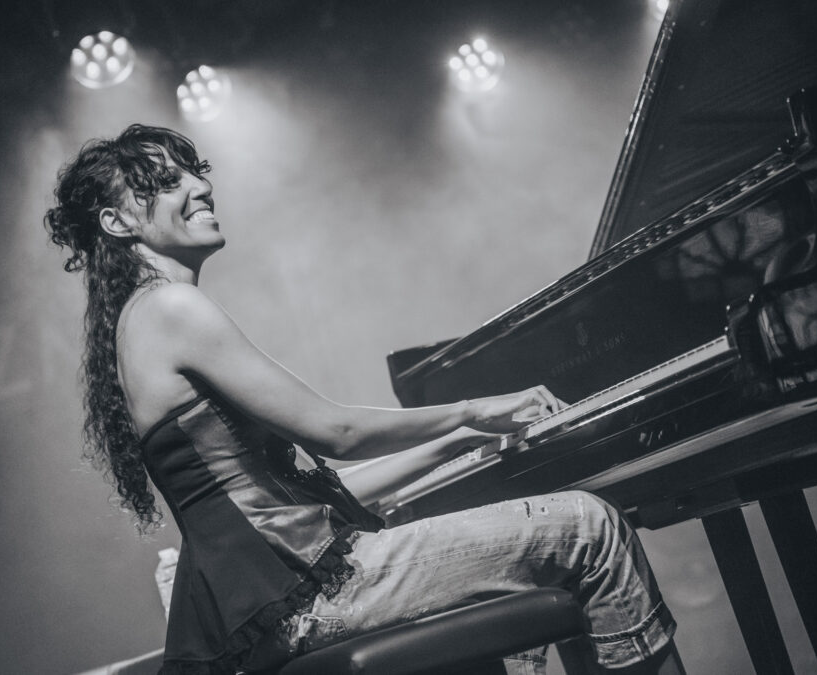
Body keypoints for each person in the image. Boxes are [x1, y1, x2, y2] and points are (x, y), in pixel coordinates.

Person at [45, 124, 685, 675]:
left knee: (513, 583)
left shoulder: (138, 320)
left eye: (195, 171)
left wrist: (456, 443)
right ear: (117, 222)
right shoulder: (172, 308)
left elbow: (306, 496)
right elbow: (337, 433)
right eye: (167, 182)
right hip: (307, 594)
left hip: (279, 598)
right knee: (589, 528)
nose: (200, 186)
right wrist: (471, 409)